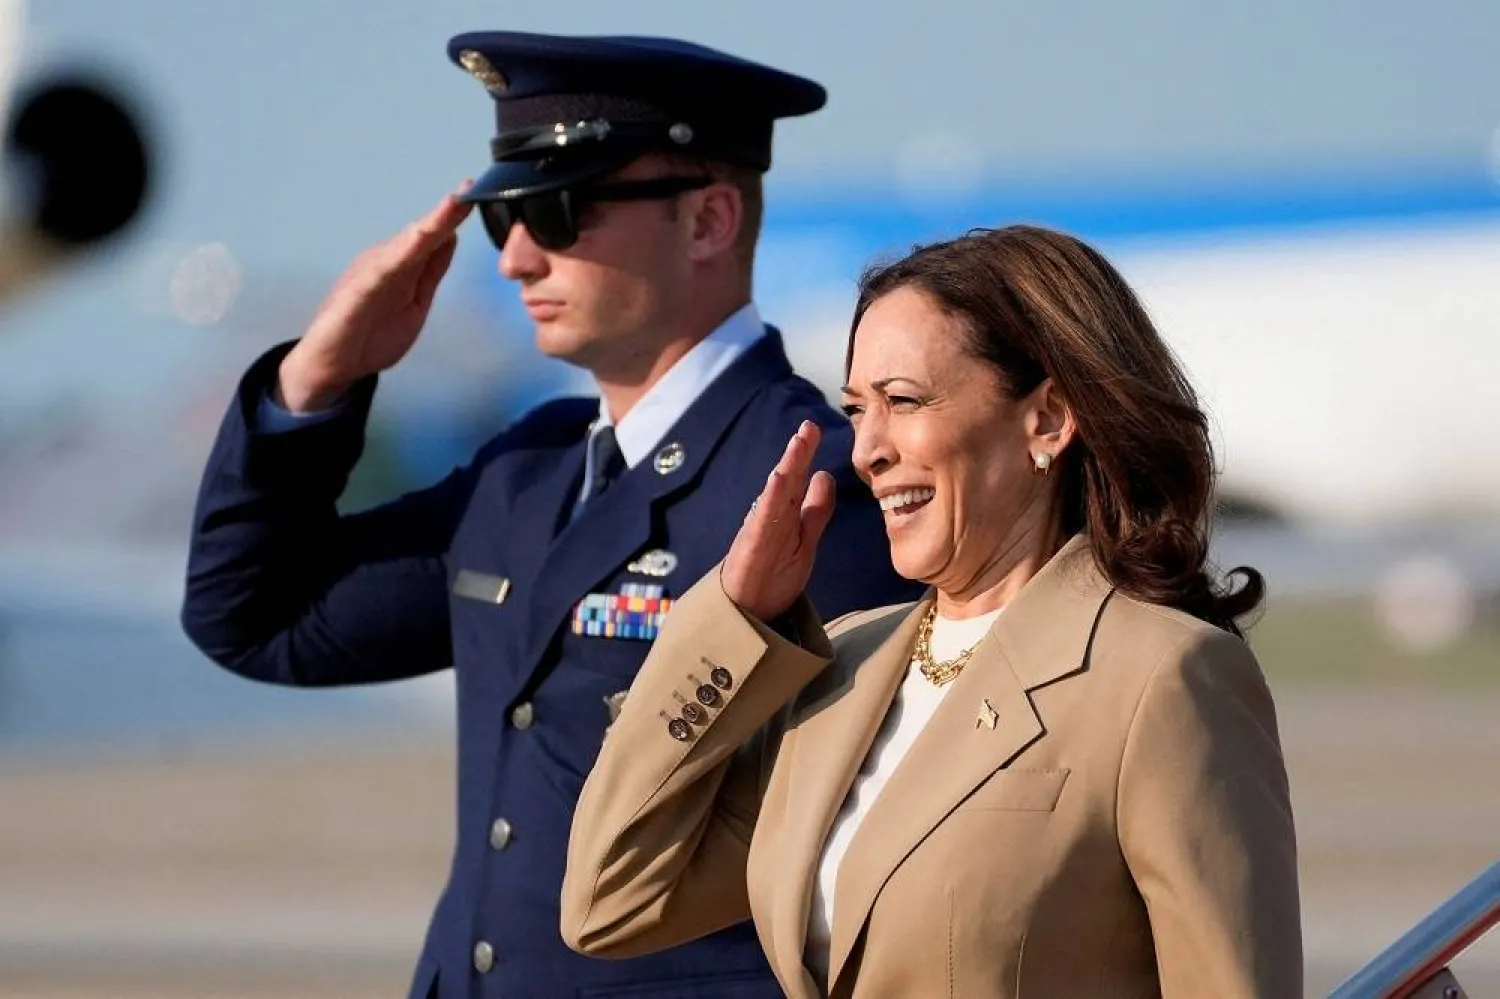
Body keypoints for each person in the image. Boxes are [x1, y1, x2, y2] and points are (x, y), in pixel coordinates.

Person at [178, 30, 922, 999]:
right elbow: (254, 617)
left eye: (559, 211)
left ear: (708, 221)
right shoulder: (523, 477)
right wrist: (318, 379)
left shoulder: (812, 488)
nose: (517, 260)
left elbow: (889, 846)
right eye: (501, 221)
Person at [561, 225, 1303, 998]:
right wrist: (731, 622)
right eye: (857, 408)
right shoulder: (843, 667)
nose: (865, 449)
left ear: (1047, 418)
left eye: (903, 401)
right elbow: (608, 901)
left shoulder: (1162, 676)